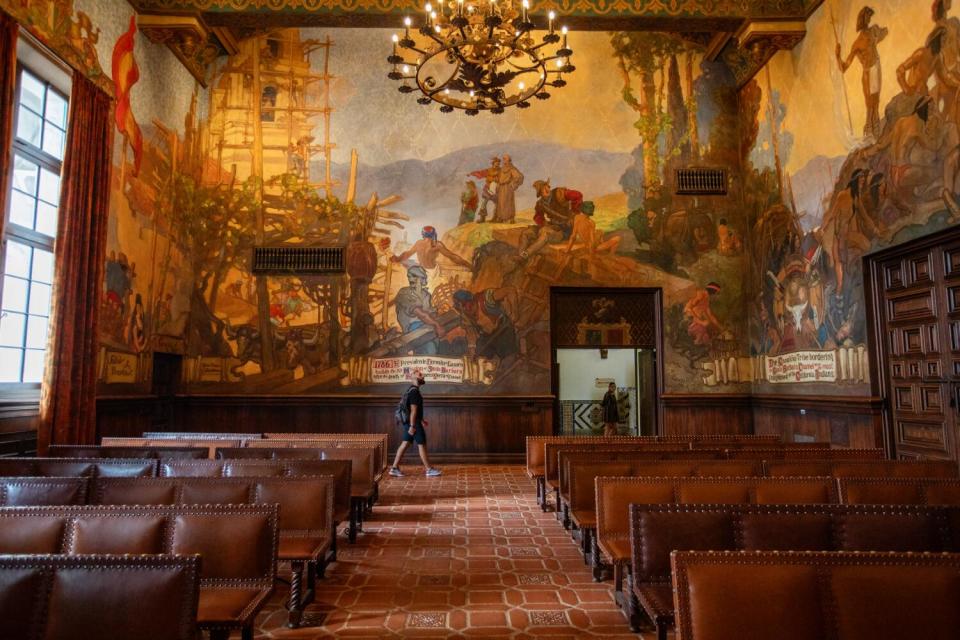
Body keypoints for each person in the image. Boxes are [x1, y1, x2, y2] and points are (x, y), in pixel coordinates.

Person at [837, 6, 888, 137]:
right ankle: (869, 132)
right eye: (867, 16)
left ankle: (876, 131)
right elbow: (844, 67)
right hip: (867, 72)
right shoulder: (857, 43)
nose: (869, 19)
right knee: (869, 104)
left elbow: (884, 32)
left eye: (870, 16)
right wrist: (837, 56)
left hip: (875, 68)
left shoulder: (873, 31)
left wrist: (879, 34)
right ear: (862, 19)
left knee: (875, 102)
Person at [389, 369, 441, 477]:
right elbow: (413, 411)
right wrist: (413, 425)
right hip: (413, 423)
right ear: (414, 377)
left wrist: (421, 419)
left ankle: (394, 468)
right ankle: (429, 469)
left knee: (405, 443)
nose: (423, 376)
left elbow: (412, 410)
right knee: (422, 444)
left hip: (411, 422)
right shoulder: (414, 392)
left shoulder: (411, 390)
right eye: (420, 374)